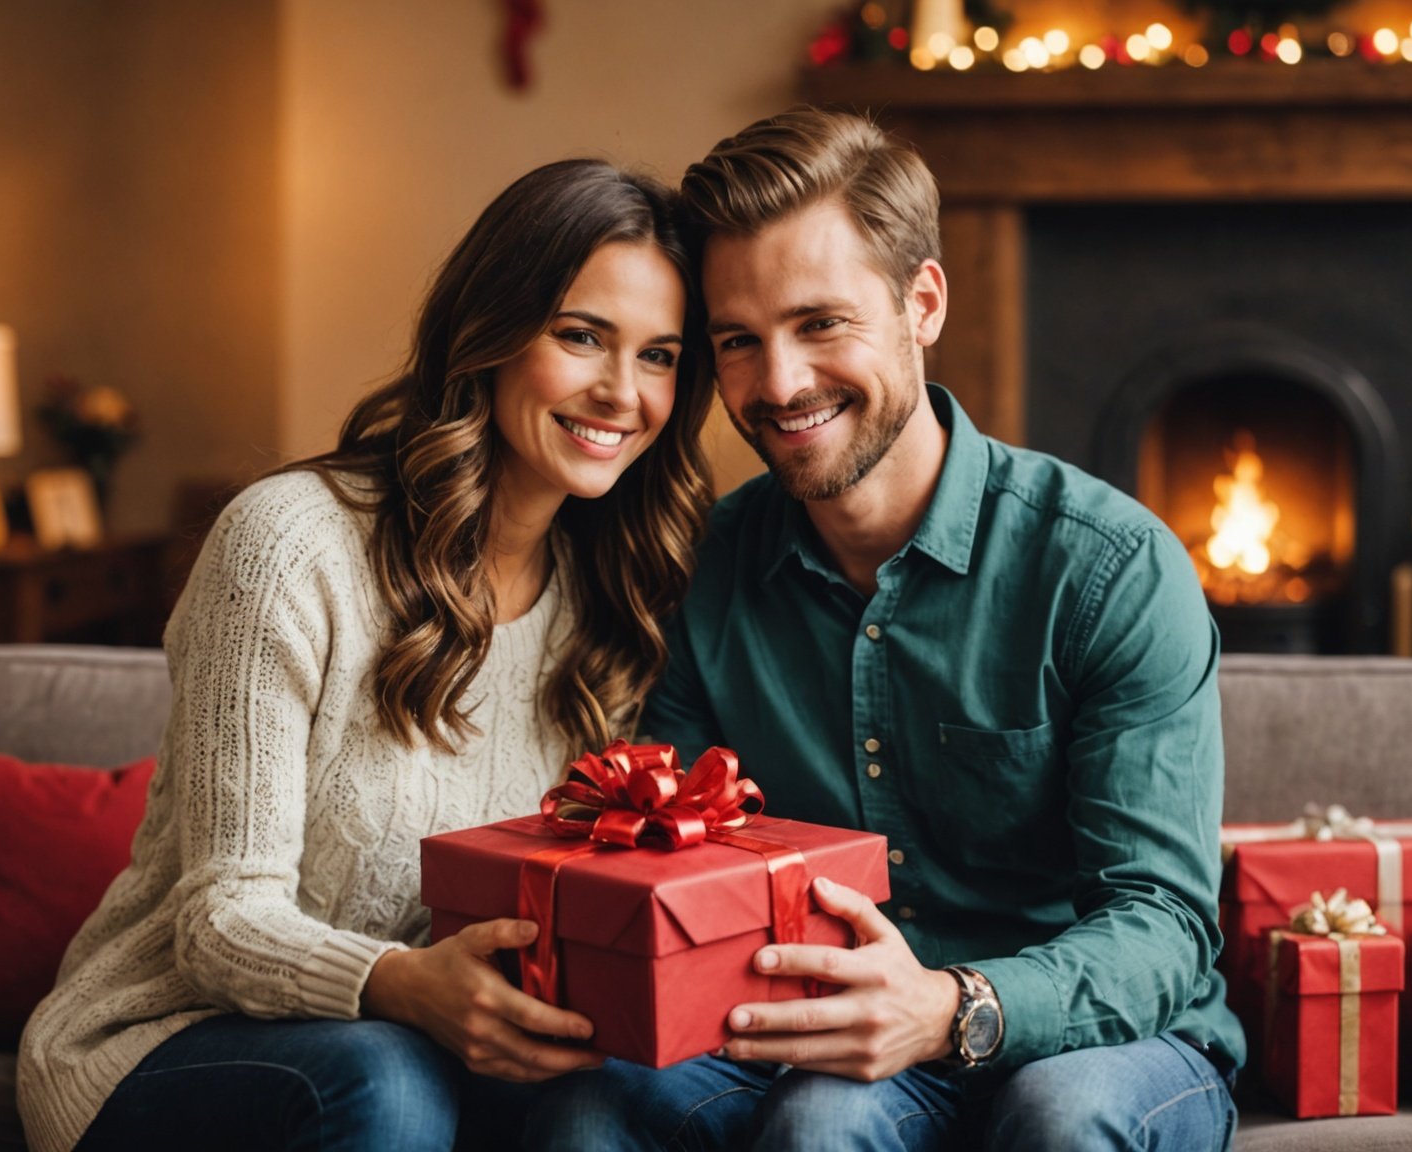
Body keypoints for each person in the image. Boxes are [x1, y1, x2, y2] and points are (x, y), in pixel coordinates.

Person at [527, 108, 1244, 1151]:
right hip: (818, 1037)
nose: (778, 385)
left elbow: (1163, 925)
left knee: (1062, 1116)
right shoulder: (704, 569)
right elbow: (667, 861)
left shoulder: (1109, 568)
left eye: (821, 323)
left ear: (923, 302)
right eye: (738, 341)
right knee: (679, 1117)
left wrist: (951, 1008)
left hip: (1106, 1043)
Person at [16, 159, 716, 1152]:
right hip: (163, 1043)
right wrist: (403, 985)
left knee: (624, 1099)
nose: (620, 392)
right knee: (387, 1083)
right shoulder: (290, 545)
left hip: (436, 1052)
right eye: (580, 336)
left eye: (659, 356)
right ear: (491, 333)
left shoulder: (612, 600)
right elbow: (218, 921)